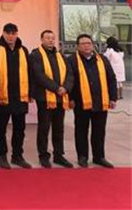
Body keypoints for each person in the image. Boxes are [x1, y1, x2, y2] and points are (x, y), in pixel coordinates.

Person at [68, 34, 118, 168]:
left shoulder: (102, 59)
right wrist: (70, 98)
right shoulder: (72, 60)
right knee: (81, 130)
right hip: (80, 102)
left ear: (93, 45)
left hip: (100, 101)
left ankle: (99, 157)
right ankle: (82, 156)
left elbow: (111, 78)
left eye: (89, 43)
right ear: (77, 46)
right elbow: (69, 80)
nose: (86, 46)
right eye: (83, 43)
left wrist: (113, 97)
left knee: (99, 131)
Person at [29, 29, 74, 168]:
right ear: (41, 39)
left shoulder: (61, 56)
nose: (50, 40)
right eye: (47, 38)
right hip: (44, 98)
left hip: (61, 97)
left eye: (52, 38)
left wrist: (65, 87)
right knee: (44, 128)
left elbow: (70, 74)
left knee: (59, 128)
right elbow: (39, 75)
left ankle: (59, 155)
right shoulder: (35, 55)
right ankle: (43, 156)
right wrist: (56, 88)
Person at [0, 23, 32, 169]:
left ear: (17, 34)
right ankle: (1, 156)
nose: (10, 36)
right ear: (3, 34)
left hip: (20, 97)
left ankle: (17, 156)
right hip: (3, 97)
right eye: (8, 33)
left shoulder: (23, 50)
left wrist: (30, 92)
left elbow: (29, 73)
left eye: (13, 33)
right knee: (1, 129)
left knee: (20, 129)